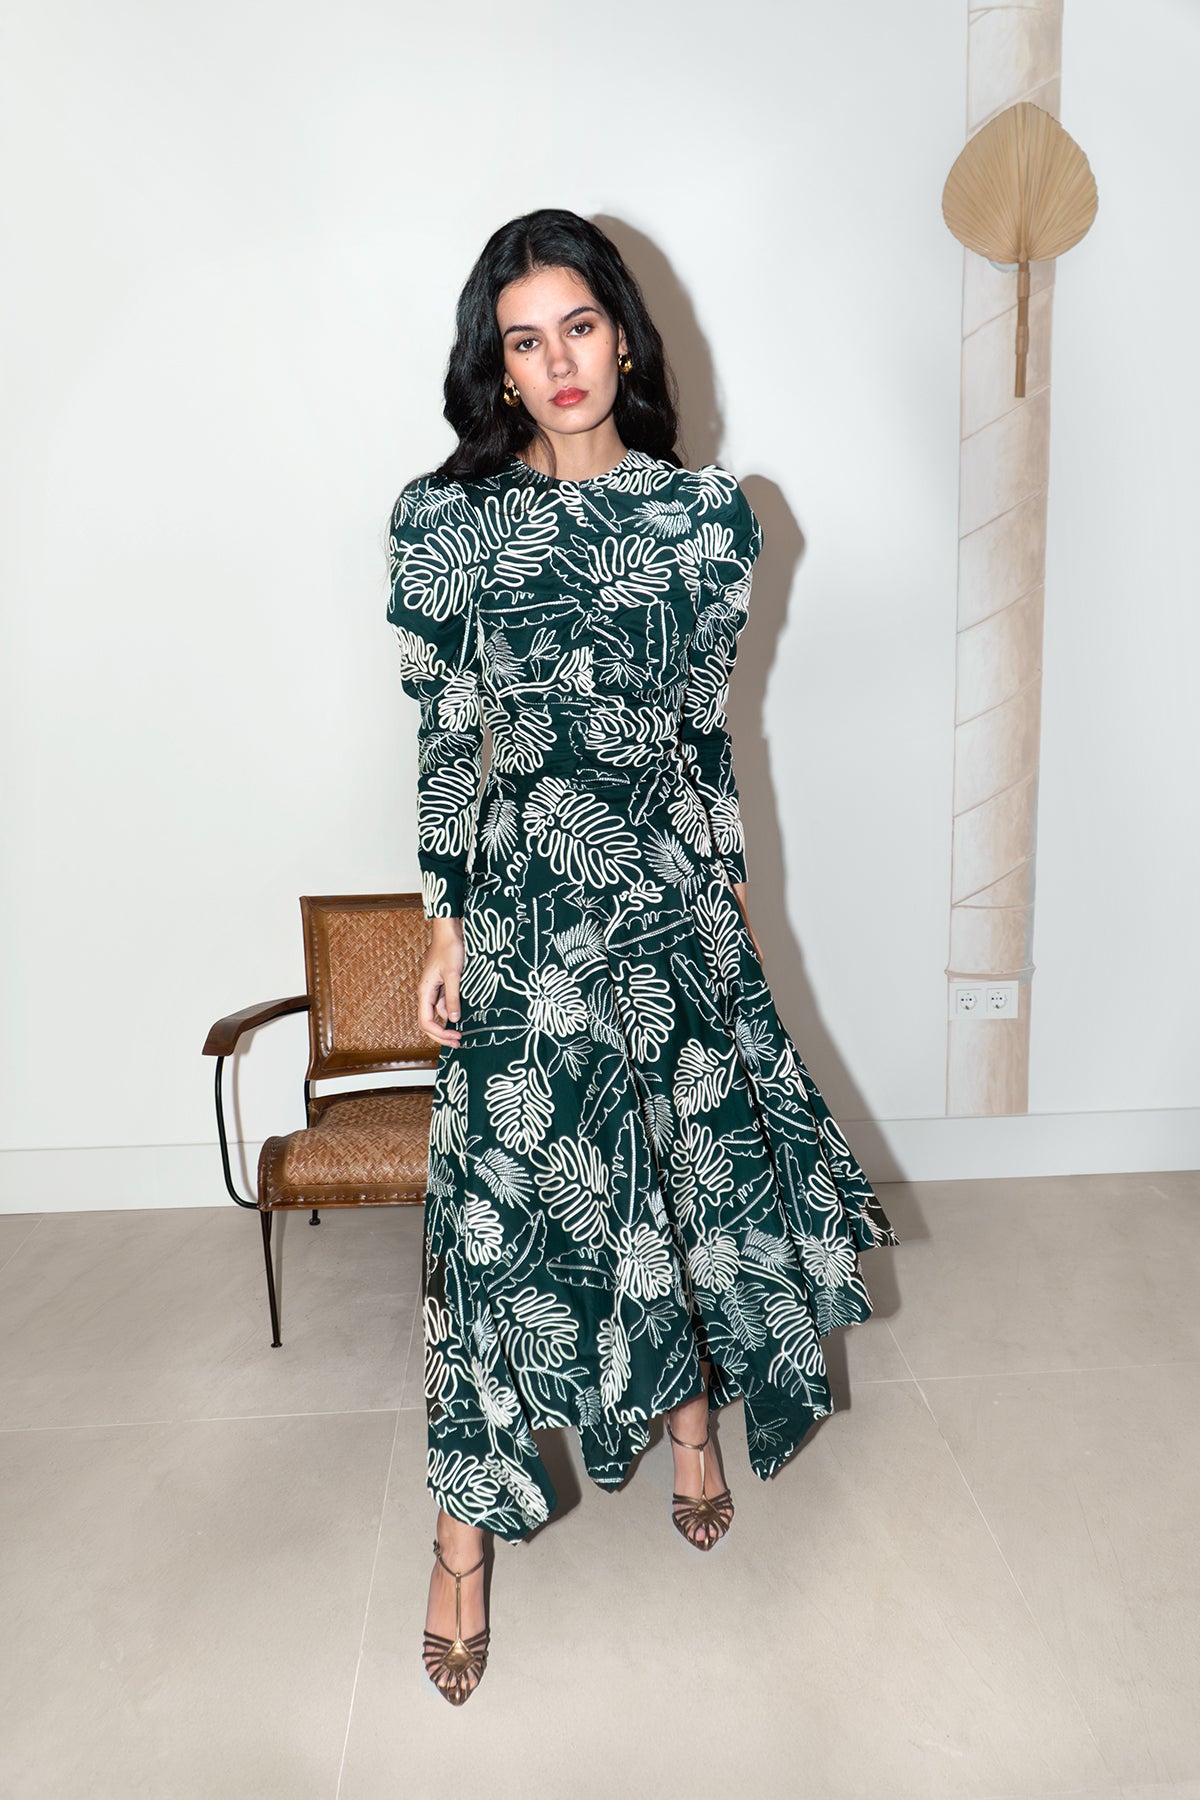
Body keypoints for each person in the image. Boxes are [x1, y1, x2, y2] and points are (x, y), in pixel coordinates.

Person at [386, 208, 900, 1705]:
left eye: (580, 327)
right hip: (528, 911)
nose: (557, 363)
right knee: (496, 1223)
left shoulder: (709, 519)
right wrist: (445, 915)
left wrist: (727, 878)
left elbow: (700, 733)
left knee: (676, 1175)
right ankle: (461, 1542)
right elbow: (449, 739)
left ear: (624, 336)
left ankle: (689, 1427)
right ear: (497, 365)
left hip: (667, 900)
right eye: (524, 340)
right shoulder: (447, 523)